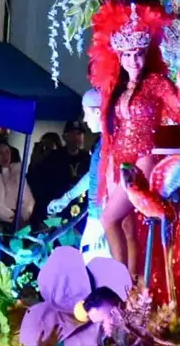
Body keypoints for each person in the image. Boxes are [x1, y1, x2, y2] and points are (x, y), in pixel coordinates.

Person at [90, 0, 180, 315]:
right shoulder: (118, 87)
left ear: (146, 53)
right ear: (119, 55)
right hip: (120, 160)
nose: (134, 60)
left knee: (109, 219)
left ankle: (120, 285)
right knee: (128, 229)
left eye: (139, 54)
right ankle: (132, 293)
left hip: (143, 160)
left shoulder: (156, 83)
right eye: (128, 55)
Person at [48, 89, 108, 260]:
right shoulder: (102, 143)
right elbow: (93, 175)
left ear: (97, 112)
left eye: (86, 113)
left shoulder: (111, 143)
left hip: (103, 218)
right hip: (97, 215)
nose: (85, 120)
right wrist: (66, 198)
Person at [30, 121, 90, 225]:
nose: (75, 137)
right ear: (65, 137)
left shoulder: (88, 159)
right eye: (72, 134)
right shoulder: (53, 158)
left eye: (79, 134)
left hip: (81, 210)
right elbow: (41, 185)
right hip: (57, 210)